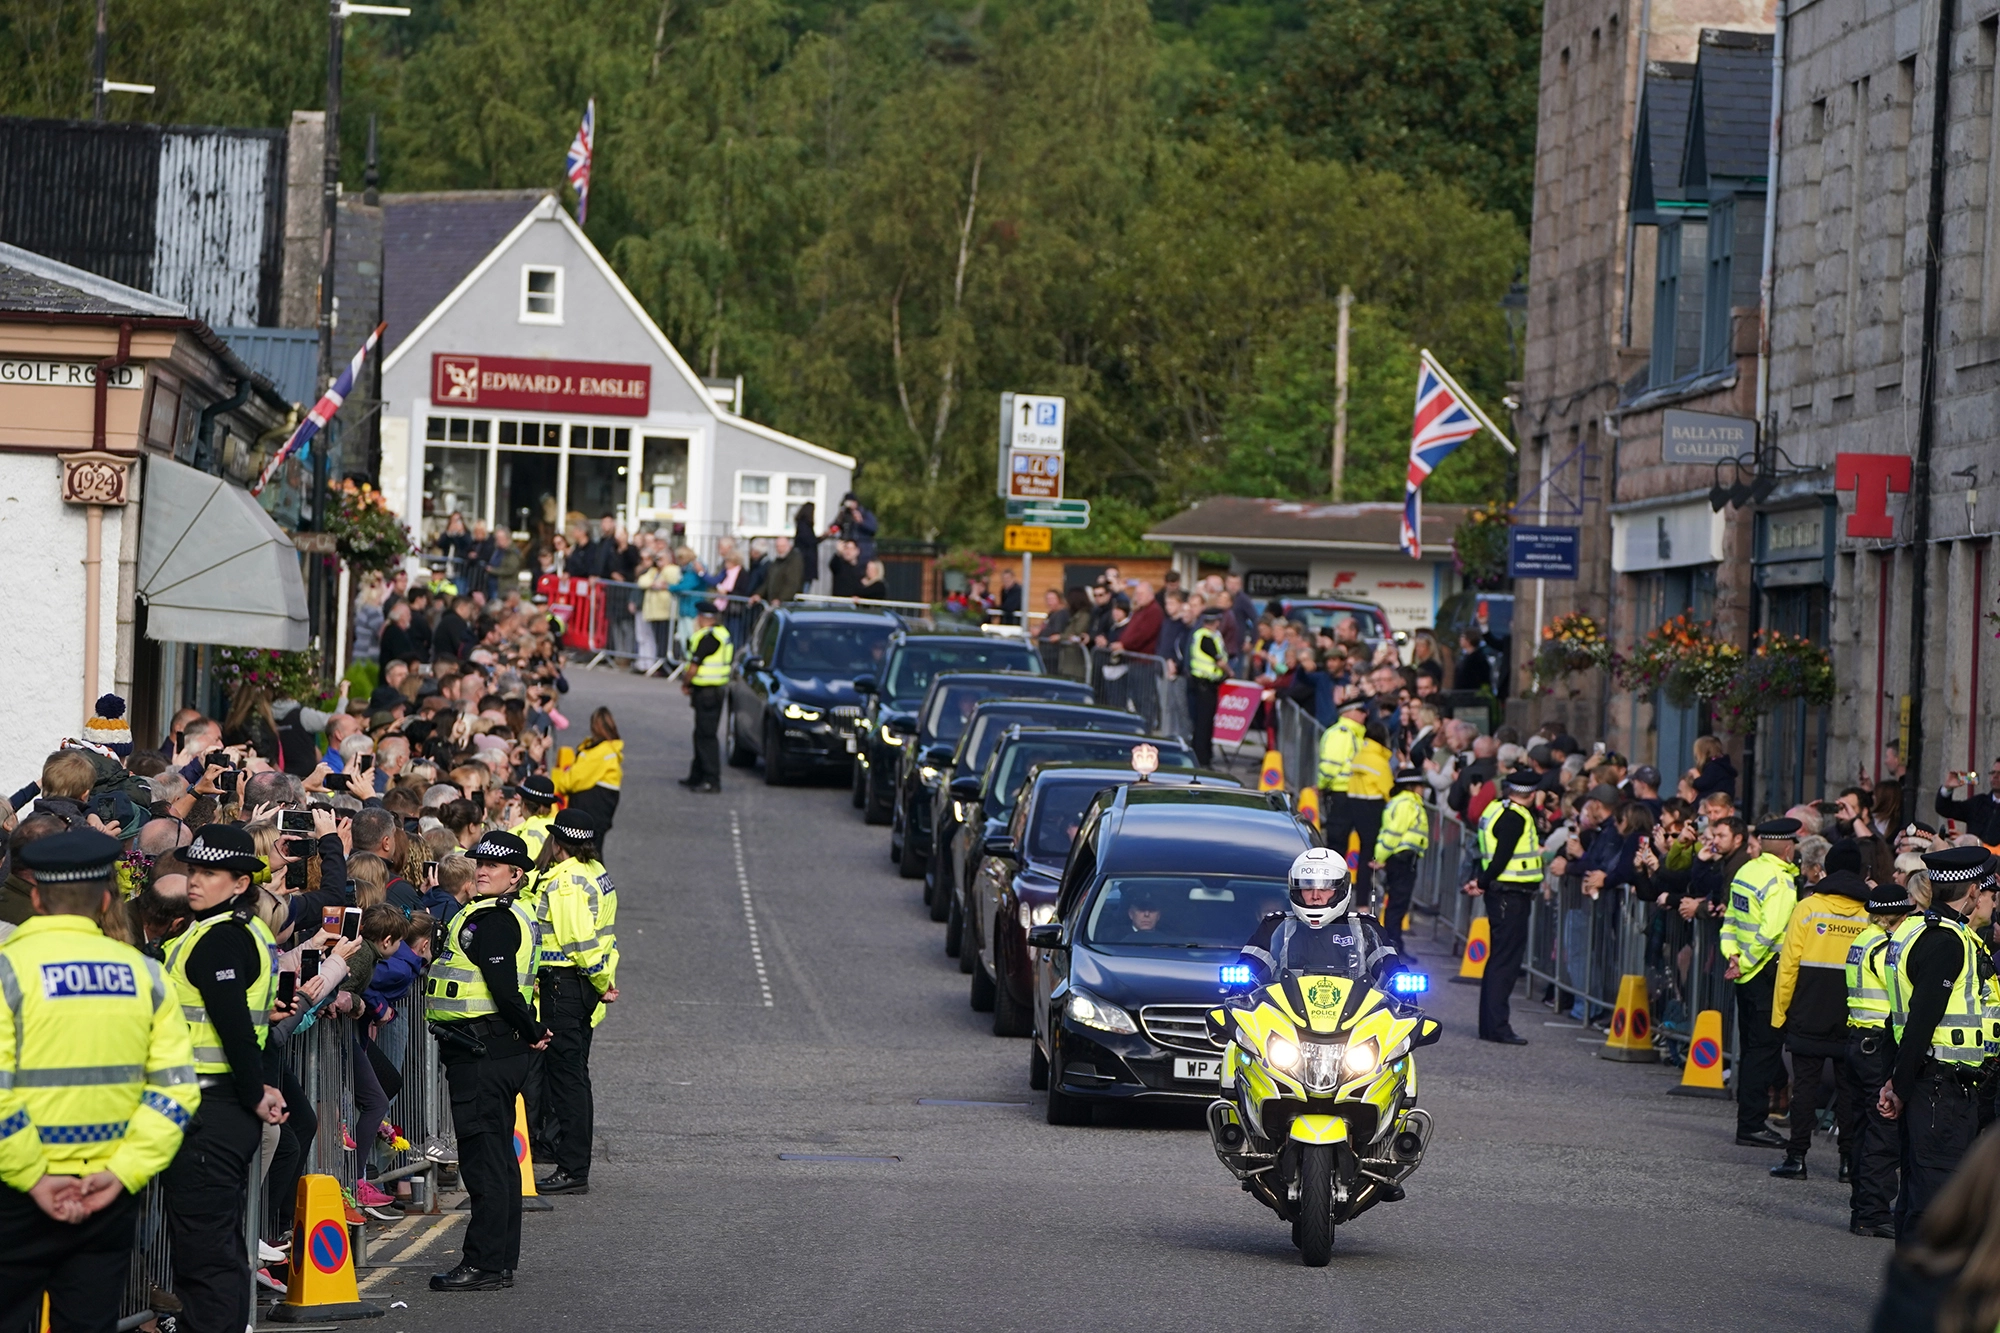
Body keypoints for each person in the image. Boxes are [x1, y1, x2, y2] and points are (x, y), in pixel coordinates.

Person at [0, 830, 201, 1333]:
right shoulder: (146, 976)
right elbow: (176, 1091)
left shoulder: (9, 971)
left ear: (39, 896)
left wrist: (36, 1178)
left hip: (15, 1191)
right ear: (107, 899)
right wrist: (124, 1171)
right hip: (106, 1192)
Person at [161, 824, 287, 1333]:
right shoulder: (229, 929)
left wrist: (255, 1089)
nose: (194, 881)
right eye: (192, 870)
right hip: (216, 1103)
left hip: (209, 1107)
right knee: (217, 1245)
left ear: (238, 883)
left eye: (208, 873)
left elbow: (233, 1022)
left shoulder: (220, 940)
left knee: (205, 1253)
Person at [424, 831, 551, 1291]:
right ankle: (496, 1263)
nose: (481, 870)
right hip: (491, 1048)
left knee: (484, 1163)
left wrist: (533, 1029)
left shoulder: (495, 919)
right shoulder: (499, 912)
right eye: (478, 862)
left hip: (484, 1052)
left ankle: (482, 1263)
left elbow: (502, 985)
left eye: (493, 866)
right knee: (496, 1160)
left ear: (516, 875)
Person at [1881, 846, 1997, 1240]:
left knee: (1918, 1197)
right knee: (1935, 1202)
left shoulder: (1913, 929)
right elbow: (1922, 1019)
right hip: (1941, 1089)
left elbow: (1894, 1017)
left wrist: (1896, 1079)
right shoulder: (1948, 941)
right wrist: (1900, 1084)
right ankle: (1920, 1296)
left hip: (1925, 1082)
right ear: (1972, 892)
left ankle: (1910, 1292)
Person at [1768, 836, 1872, 1181]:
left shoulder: (1808, 908)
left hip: (1808, 1009)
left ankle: (1796, 1157)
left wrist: (1779, 1014)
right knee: (1849, 1091)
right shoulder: (1868, 911)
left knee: (1805, 1087)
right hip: (1852, 1013)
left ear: (1826, 869)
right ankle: (1847, 1163)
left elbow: (1788, 968)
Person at [527, 810, 619, 1196]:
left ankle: (572, 1168)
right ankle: (573, 1164)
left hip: (565, 986)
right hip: (579, 987)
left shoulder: (565, 882)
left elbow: (581, 943)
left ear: (557, 842)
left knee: (568, 1082)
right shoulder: (594, 869)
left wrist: (600, 981)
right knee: (574, 1077)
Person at [1722, 817, 1803, 1148]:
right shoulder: (1781, 882)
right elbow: (1770, 932)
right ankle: (1752, 1124)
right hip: (1765, 973)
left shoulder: (1746, 872)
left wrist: (1733, 956)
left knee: (1753, 1049)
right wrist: (1748, 962)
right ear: (1787, 848)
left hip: (1743, 971)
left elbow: (1730, 919)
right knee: (1763, 1052)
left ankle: (1749, 1121)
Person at [1848, 877, 1916, 1238]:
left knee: (1864, 1127)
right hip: (1877, 1043)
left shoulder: (1862, 940)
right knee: (1883, 1129)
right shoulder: (1887, 948)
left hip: (1858, 1040)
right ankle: (1873, 1211)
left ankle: (1862, 1207)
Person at [1238, 848, 1399, 989]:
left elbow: (1391, 971)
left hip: (1356, 1021)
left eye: (1325, 888)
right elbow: (1250, 968)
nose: (1316, 896)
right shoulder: (1275, 927)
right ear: (1295, 889)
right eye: (1307, 888)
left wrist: (1397, 980)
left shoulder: (1364, 928)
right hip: (1284, 1020)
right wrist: (1245, 979)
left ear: (1341, 890)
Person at [1464, 767, 1545, 1045]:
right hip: (1510, 895)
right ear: (1531, 793)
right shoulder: (1515, 817)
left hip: (1503, 895)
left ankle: (1490, 1025)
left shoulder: (1496, 808)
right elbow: (1501, 857)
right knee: (1505, 963)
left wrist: (1481, 881)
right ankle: (1498, 1026)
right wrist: (1484, 882)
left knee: (1498, 960)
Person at [1371, 768, 1430, 959]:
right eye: (1421, 785)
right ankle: (1393, 949)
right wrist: (1379, 858)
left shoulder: (1406, 802)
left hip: (1402, 860)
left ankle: (1394, 947)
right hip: (1401, 860)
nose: (1423, 790)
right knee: (1397, 906)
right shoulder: (1407, 804)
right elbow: (1393, 833)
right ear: (1412, 786)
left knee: (1397, 905)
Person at [553, 707, 623, 845]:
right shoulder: (607, 749)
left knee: (589, 851)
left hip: (592, 807)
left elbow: (575, 778)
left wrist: (556, 785)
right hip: (602, 807)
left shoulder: (599, 752)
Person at [680, 606, 732, 793]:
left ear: (703, 618)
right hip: (713, 690)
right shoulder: (722, 633)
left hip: (708, 692)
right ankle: (697, 776)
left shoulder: (708, 638)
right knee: (701, 734)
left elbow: (693, 666)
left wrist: (685, 683)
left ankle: (711, 779)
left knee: (706, 736)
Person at [1316, 700, 1367, 876]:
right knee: (1337, 840)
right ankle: (1331, 877)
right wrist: (1322, 786)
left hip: (1353, 794)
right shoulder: (1341, 734)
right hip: (1340, 793)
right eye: (1361, 710)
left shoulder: (1356, 734)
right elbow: (1330, 766)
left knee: (1343, 839)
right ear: (1349, 712)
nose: (1365, 714)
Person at [1186, 607, 1227, 766]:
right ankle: (1202, 759)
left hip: (1202, 683)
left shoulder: (1201, 635)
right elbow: (1219, 661)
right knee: (1204, 724)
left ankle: (1202, 755)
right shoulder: (1206, 637)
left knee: (1202, 723)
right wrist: (1229, 672)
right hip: (1205, 685)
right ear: (1215, 621)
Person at [1935, 757, 2000, 847]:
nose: (1995, 776)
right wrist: (1948, 788)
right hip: (1972, 859)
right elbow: (1944, 808)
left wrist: (1969, 841)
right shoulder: (1979, 802)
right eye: (1993, 772)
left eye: (1999, 773)